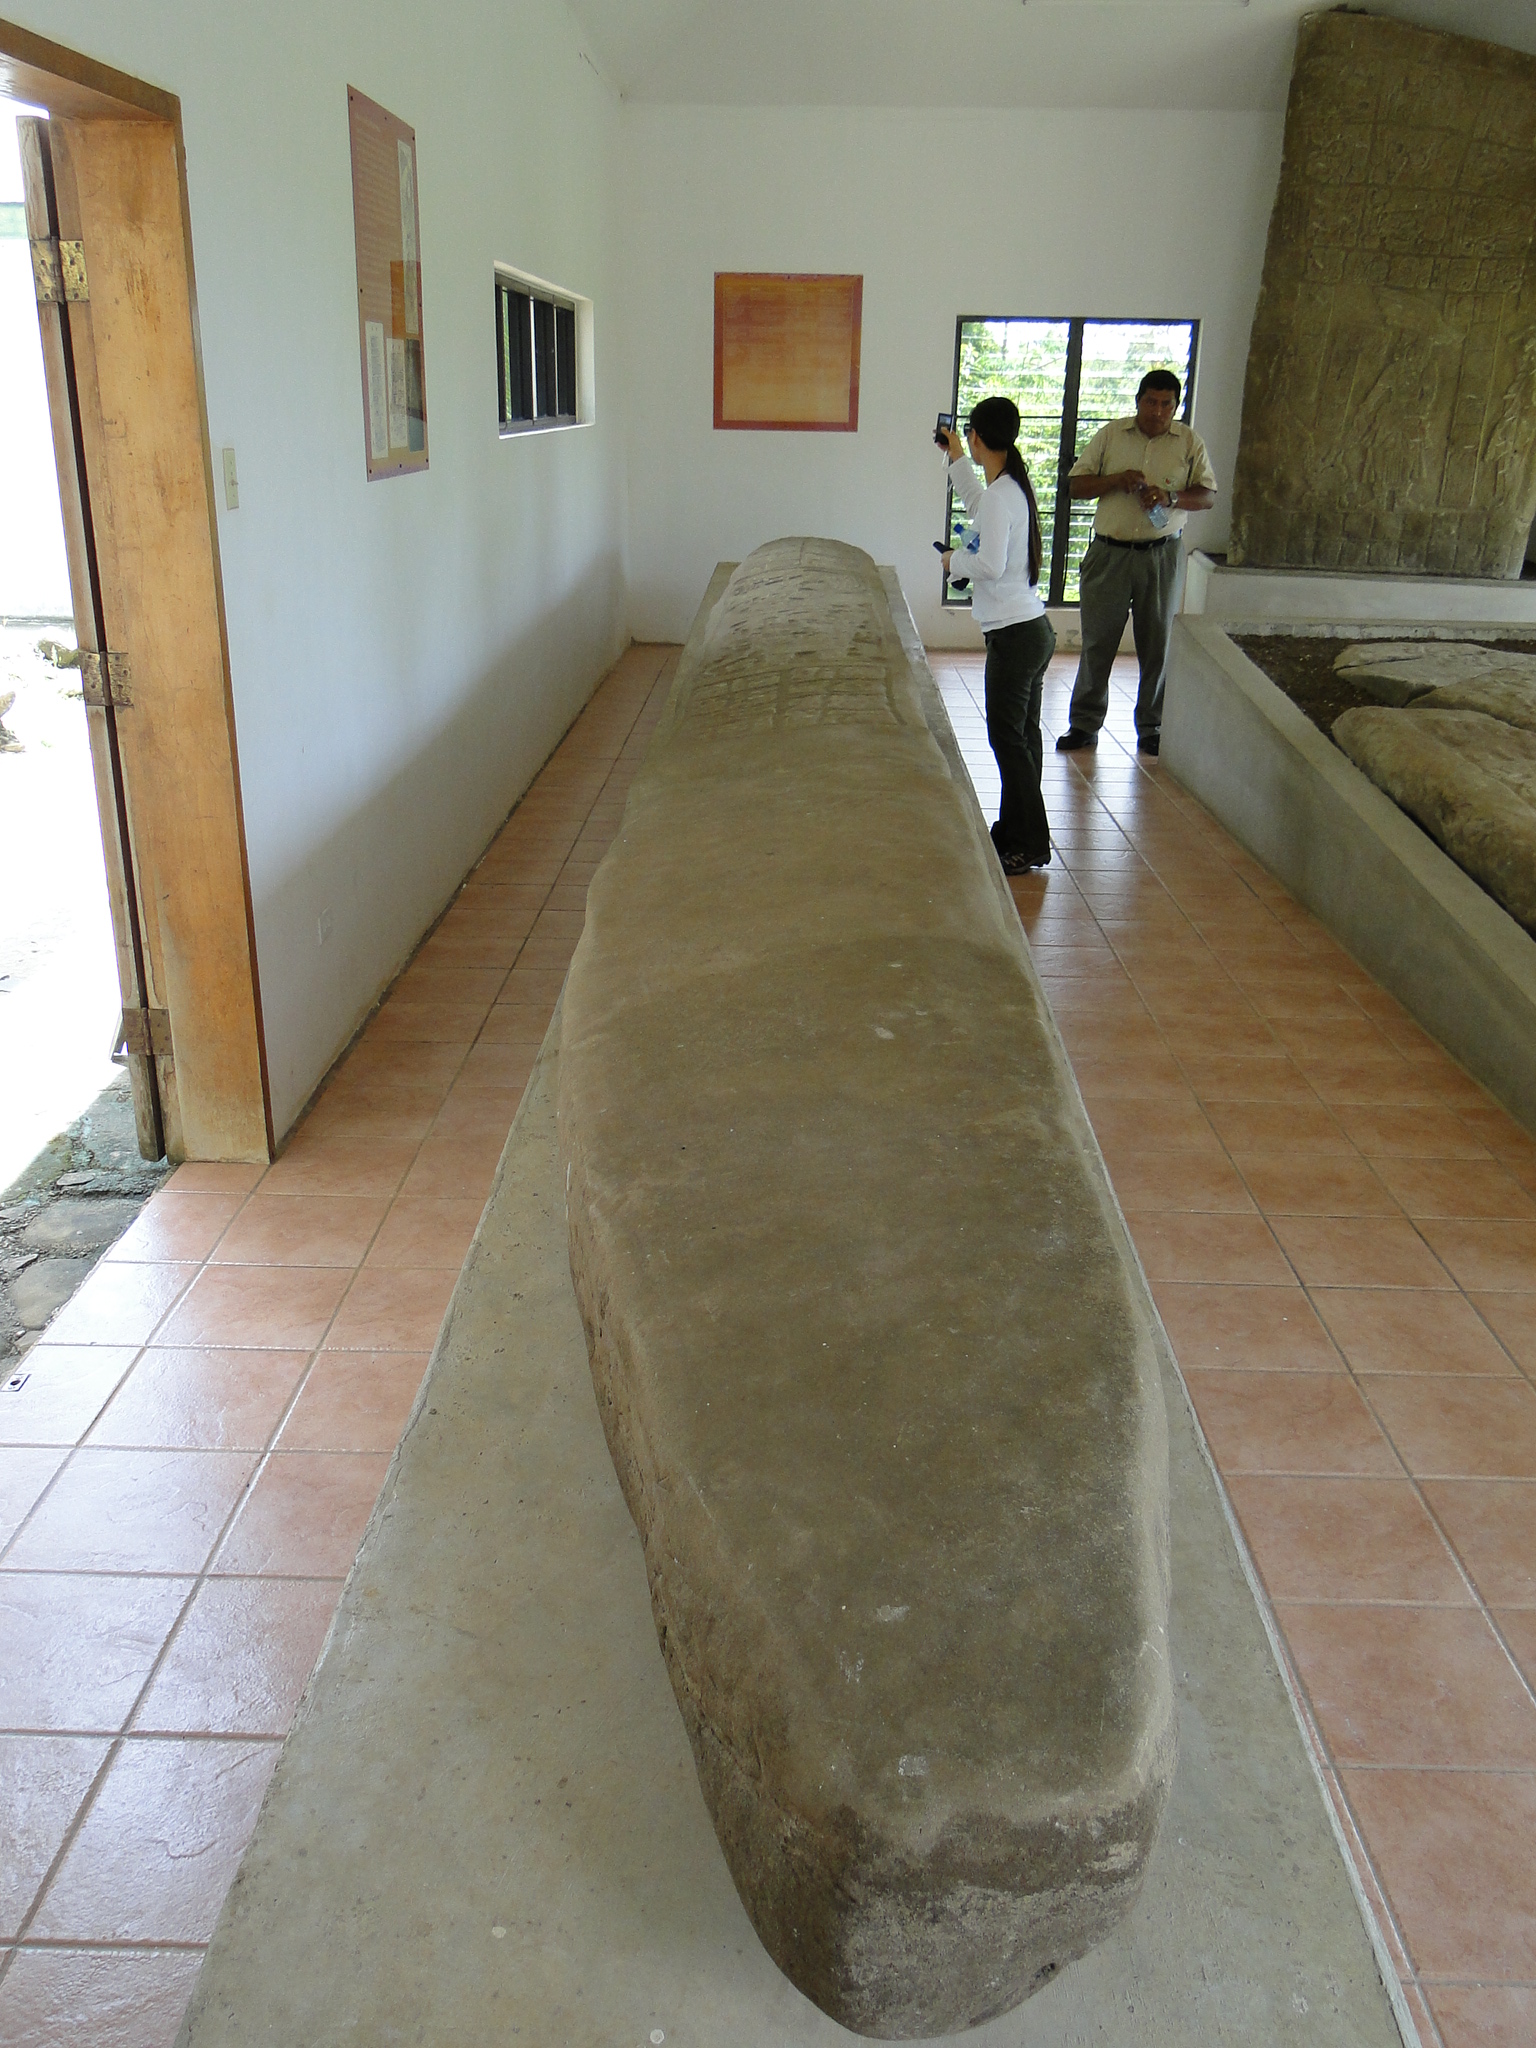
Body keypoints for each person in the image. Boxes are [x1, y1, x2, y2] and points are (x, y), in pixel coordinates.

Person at [1056, 369, 1217, 758]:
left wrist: (1171, 497)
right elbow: (1075, 486)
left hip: (1161, 557)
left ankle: (1152, 727)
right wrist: (1115, 480)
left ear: (1176, 407)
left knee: (1157, 644)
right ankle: (1084, 725)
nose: (1158, 411)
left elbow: (1208, 496)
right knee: (1098, 642)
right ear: (1138, 401)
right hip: (1109, 555)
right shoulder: (1111, 435)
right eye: (1151, 402)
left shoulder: (1189, 442)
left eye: (1167, 404)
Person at [939, 397, 1055, 873]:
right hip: (1031, 630)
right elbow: (978, 504)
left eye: (967, 437)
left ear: (977, 436)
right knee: (1021, 739)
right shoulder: (1008, 487)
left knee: (1009, 740)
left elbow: (989, 564)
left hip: (1015, 637)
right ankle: (1012, 833)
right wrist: (956, 459)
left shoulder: (1003, 493)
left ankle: (1029, 843)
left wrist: (952, 562)